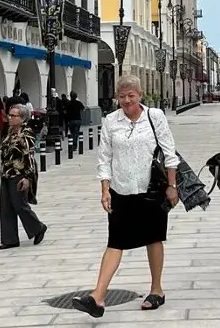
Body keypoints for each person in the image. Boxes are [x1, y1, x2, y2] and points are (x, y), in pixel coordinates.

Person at [72, 74, 179, 318]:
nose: (126, 100)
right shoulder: (111, 121)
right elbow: (104, 158)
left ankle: (156, 290)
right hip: (121, 189)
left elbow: (169, 153)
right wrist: (104, 189)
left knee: (153, 238)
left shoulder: (155, 116)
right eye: (122, 96)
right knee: (115, 241)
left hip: (151, 189)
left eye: (131, 95)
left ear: (140, 95)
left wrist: (172, 186)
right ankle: (97, 297)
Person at [0, 103, 47, 250]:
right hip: (6, 172)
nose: (10, 118)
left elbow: (29, 156)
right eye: (9, 115)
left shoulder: (26, 133)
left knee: (20, 205)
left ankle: (38, 227)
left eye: (14, 115)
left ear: (22, 118)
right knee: (5, 206)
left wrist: (27, 177)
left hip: (19, 173)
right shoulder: (10, 131)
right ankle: (10, 239)